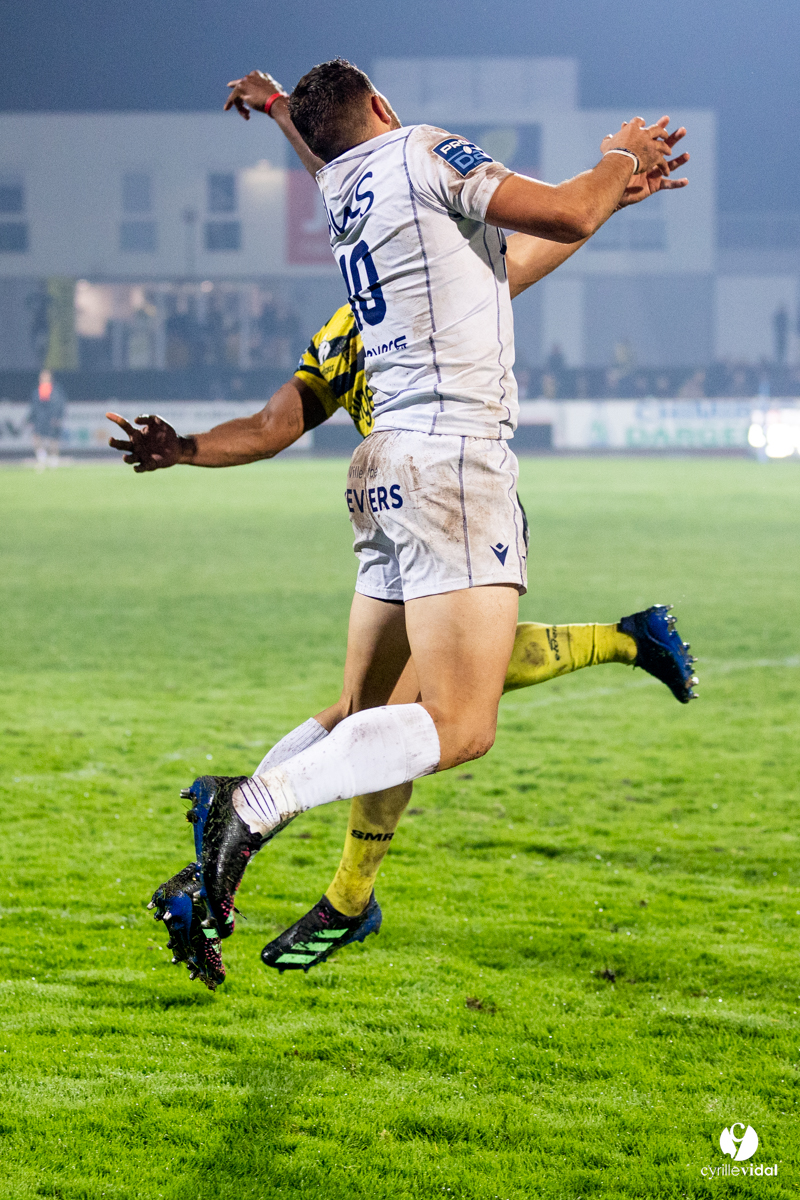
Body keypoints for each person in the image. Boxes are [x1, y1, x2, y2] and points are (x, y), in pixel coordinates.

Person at [111, 63, 695, 988]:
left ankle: (234, 867)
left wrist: (279, 110)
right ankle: (249, 807)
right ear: (384, 106)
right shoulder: (423, 152)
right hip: (453, 463)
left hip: (381, 473)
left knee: (366, 712)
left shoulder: (346, 198)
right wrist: (619, 158)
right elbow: (564, 214)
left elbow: (493, 253)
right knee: (459, 724)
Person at [29, 369, 67, 468]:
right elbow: (33, 406)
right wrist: (31, 419)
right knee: (37, 439)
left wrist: (58, 417)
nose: (43, 378)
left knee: (53, 440)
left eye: (46, 376)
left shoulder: (56, 390)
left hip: (52, 418)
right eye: (42, 376)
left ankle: (54, 460)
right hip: (39, 419)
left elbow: (60, 404)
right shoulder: (37, 391)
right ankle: (42, 460)